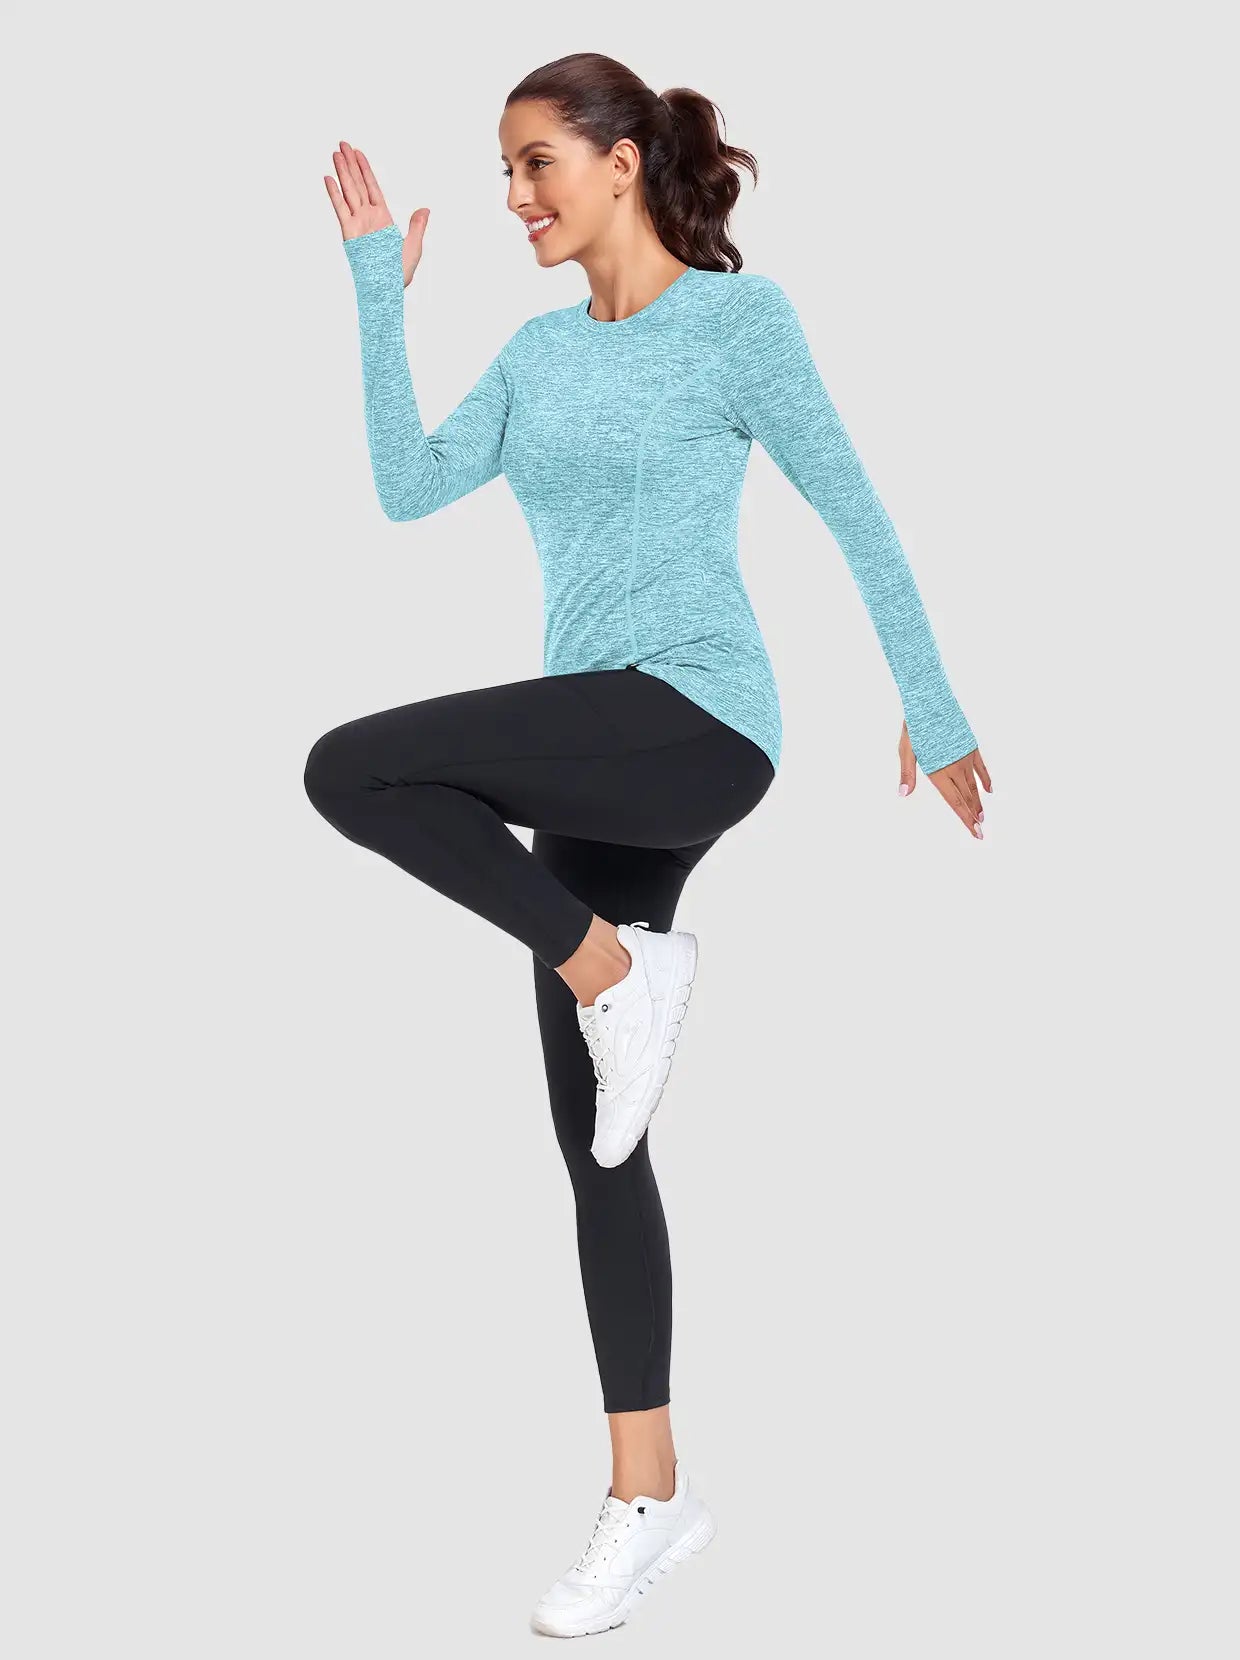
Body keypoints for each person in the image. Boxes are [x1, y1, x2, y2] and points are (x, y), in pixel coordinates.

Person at [309, 50, 991, 1640]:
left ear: (621, 162)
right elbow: (407, 490)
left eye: (536, 162)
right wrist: (375, 295)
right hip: (591, 757)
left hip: (697, 721)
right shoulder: (537, 355)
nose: (513, 197)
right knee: (597, 1144)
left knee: (353, 766)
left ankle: (620, 971)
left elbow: (856, 508)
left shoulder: (741, 325)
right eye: (504, 170)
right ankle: (648, 1496)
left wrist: (935, 705)